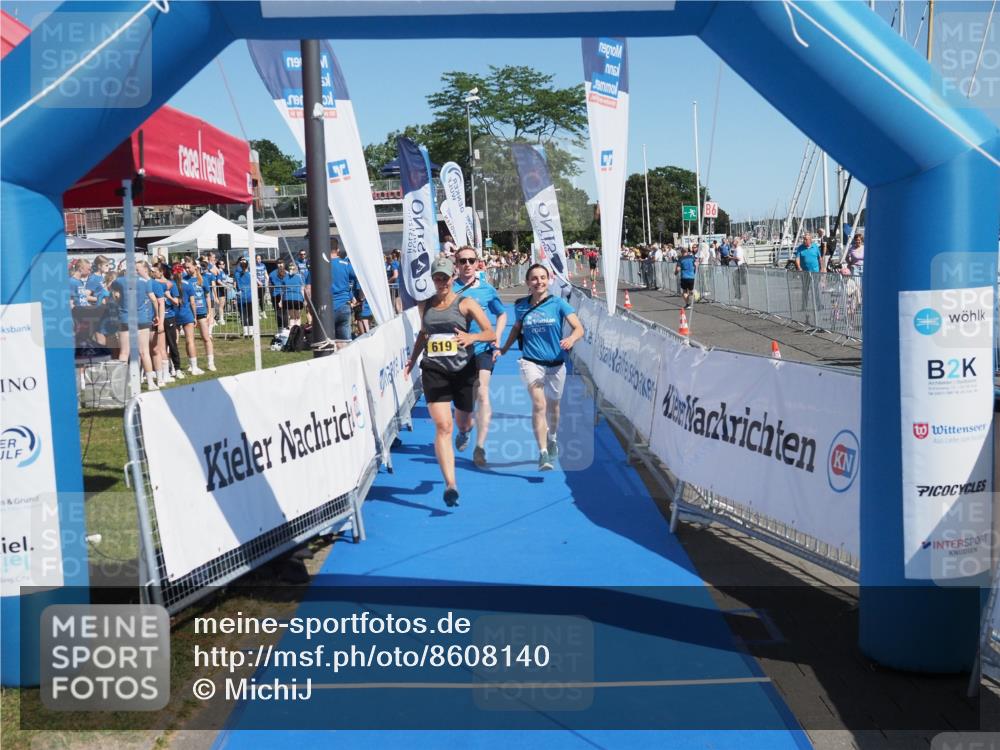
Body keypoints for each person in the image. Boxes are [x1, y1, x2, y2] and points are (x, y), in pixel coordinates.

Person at [403, 256, 494, 507]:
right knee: (443, 426)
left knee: (462, 421)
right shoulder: (425, 305)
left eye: (445, 277)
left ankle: (465, 432)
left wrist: (472, 337)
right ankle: (451, 484)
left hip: (464, 369)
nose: (442, 281)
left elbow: (491, 332)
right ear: (432, 279)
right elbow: (424, 334)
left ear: (452, 278)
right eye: (437, 277)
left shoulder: (466, 304)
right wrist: (412, 360)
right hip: (434, 370)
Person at [499, 263, 584, 471]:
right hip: (531, 361)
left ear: (549, 280)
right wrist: (503, 349)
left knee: (554, 407)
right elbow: (516, 329)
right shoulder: (520, 306)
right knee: (539, 405)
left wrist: (571, 339)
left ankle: (552, 437)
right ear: (528, 282)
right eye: (534, 278)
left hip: (555, 363)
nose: (539, 281)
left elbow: (579, 327)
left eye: (542, 277)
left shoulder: (558, 304)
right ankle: (543, 453)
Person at [452, 246, 508, 467]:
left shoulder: (486, 290)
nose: (466, 265)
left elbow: (501, 313)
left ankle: (480, 447)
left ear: (477, 264)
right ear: (456, 264)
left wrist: (498, 338)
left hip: (483, 350)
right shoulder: (448, 289)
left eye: (471, 261)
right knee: (463, 409)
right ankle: (465, 430)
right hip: (456, 354)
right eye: (462, 261)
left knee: (483, 394)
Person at [112, 259, 160, 390]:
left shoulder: (119, 281)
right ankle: (151, 383)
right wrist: (157, 315)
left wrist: (120, 302)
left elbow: (115, 296)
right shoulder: (145, 282)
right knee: (145, 352)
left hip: (125, 318)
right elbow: (153, 299)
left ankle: (120, 382)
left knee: (124, 352)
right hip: (142, 318)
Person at [184, 257, 216, 372]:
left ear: (195, 267)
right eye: (185, 268)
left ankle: (210, 363)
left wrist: (209, 313)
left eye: (188, 267)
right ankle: (191, 363)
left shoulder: (203, 280)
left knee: (206, 338)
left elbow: (208, 296)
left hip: (202, 312)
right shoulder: (184, 279)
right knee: (189, 340)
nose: (187, 269)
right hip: (189, 314)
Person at [330, 239, 359, 342]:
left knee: (328, 343)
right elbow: (359, 278)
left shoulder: (320, 266)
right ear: (338, 250)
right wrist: (356, 297)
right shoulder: (345, 264)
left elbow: (308, 288)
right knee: (345, 343)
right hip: (344, 306)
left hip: (326, 307)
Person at [794, 231, 822, 317]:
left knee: (816, 289)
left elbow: (819, 258)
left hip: (815, 272)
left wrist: (822, 268)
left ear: (810, 240)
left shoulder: (815, 247)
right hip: (805, 272)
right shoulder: (800, 248)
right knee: (805, 289)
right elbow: (797, 259)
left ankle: (818, 305)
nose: (805, 241)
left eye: (806, 239)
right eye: (804, 239)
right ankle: (804, 305)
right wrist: (799, 267)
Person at [233, 256, 254, 337]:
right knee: (250, 314)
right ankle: (251, 331)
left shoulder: (237, 274)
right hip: (250, 295)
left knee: (243, 314)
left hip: (241, 296)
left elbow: (235, 284)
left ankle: (245, 332)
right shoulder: (250, 274)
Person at [284, 262, 306, 330]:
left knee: (291, 316)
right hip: (298, 298)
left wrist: (281, 300)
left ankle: (291, 329)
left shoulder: (285, 278)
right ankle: (297, 329)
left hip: (288, 298)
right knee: (298, 316)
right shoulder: (300, 277)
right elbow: (302, 289)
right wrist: (304, 299)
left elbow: (283, 290)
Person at [254, 255, 268, 319]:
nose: (258, 260)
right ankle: (257, 313)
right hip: (256, 285)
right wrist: (258, 282)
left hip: (263, 284)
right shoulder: (253, 266)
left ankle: (263, 311)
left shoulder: (263, 265)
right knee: (257, 299)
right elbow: (254, 275)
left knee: (262, 298)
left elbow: (265, 273)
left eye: (259, 259)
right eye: (257, 259)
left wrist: (267, 279)